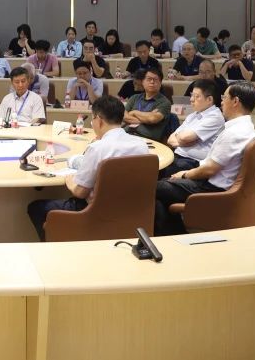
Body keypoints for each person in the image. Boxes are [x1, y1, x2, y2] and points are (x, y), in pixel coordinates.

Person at [26, 96, 149, 240]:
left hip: (95, 212)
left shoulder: (97, 148)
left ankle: (57, 247)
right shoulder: (141, 145)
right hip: (132, 210)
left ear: (99, 120)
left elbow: (80, 192)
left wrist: (70, 181)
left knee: (36, 207)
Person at [155, 82, 255, 236]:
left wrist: (185, 174)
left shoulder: (234, 133)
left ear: (235, 101)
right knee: (161, 190)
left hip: (212, 187)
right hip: (213, 180)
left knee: (153, 188)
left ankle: (170, 235)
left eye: (224, 97)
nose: (221, 102)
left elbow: (209, 169)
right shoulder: (246, 127)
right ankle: (174, 233)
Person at [163, 78, 226, 174]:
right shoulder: (193, 115)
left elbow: (184, 137)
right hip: (179, 157)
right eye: (192, 95)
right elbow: (170, 140)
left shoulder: (215, 117)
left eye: (197, 96)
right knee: (152, 165)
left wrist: (181, 139)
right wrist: (183, 142)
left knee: (155, 173)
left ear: (209, 99)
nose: (191, 99)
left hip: (193, 162)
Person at [123, 68, 171, 142]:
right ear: (143, 82)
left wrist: (134, 112)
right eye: (149, 79)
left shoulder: (164, 102)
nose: (152, 82)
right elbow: (124, 116)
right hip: (127, 135)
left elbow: (152, 119)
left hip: (147, 140)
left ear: (160, 83)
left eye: (155, 80)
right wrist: (146, 119)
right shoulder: (134, 98)